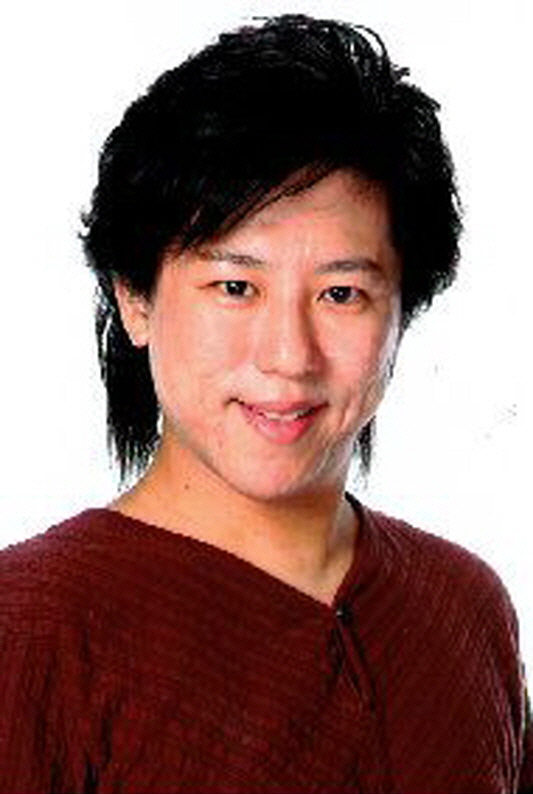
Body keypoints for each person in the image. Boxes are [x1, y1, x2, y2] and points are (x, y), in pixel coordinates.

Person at [0, 13, 531, 793]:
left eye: (341, 293)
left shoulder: (465, 607)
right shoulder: (30, 634)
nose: (288, 355)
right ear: (135, 299)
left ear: (401, 313)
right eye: (235, 287)